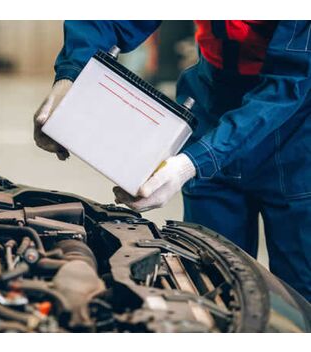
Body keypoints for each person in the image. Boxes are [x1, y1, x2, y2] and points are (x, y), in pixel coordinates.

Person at [33, 20, 311, 301]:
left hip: (295, 134)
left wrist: (189, 164)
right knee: (212, 284)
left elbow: (288, 85)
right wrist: (71, 75)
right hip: (211, 105)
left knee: (301, 294)